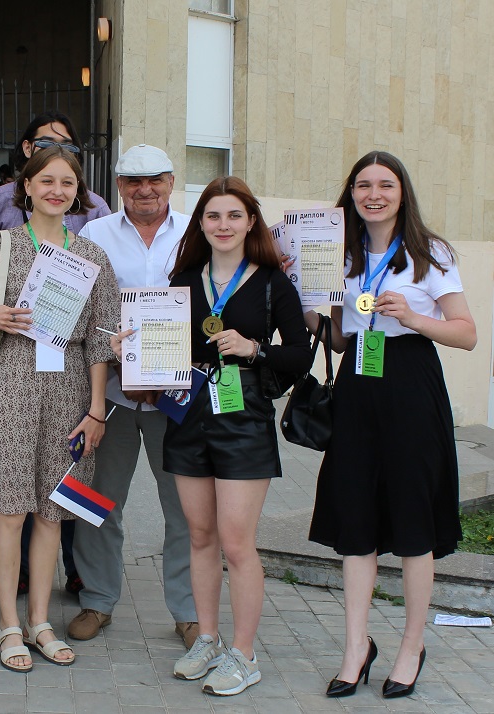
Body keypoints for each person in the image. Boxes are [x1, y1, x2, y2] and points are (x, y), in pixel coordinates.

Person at [307, 152, 475, 700]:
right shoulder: (341, 253)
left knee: (412, 519)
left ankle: (411, 645)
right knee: (356, 517)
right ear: (351, 193)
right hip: (358, 383)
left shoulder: (430, 253)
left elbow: (466, 333)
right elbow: (338, 339)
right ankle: (356, 647)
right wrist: (304, 299)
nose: (373, 194)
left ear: (402, 192)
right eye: (363, 185)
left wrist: (413, 317)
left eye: (385, 184)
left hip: (411, 384)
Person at [0, 144, 119, 672]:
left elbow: (100, 336)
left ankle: (40, 621)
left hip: (70, 388)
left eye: (67, 183)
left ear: (78, 193)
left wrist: (96, 410)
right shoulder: (2, 243)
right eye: (46, 181)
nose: (57, 190)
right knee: (12, 508)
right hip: (11, 382)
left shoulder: (92, 255)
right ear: (26, 187)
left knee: (54, 512)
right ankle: (9, 624)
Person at [158, 176, 312, 696]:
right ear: (200, 223)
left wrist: (255, 349)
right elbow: (164, 343)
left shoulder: (272, 283)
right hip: (189, 411)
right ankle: (207, 639)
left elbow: (300, 355)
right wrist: (133, 346)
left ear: (250, 222)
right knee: (200, 535)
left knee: (236, 541)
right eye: (213, 216)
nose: (223, 225)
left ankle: (244, 655)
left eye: (233, 216)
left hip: (244, 415)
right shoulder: (183, 279)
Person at [69, 144, 198, 647]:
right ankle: (97, 600)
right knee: (96, 499)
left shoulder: (195, 231)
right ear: (119, 185)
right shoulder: (95, 234)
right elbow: (80, 307)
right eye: (133, 181)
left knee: (185, 507)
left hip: (175, 395)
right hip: (111, 394)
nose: (145, 190)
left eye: (156, 179)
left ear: (171, 182)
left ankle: (188, 611)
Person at [0, 110, 110, 233]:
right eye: (46, 144)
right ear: (27, 148)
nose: (57, 151)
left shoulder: (96, 209)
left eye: (66, 146)